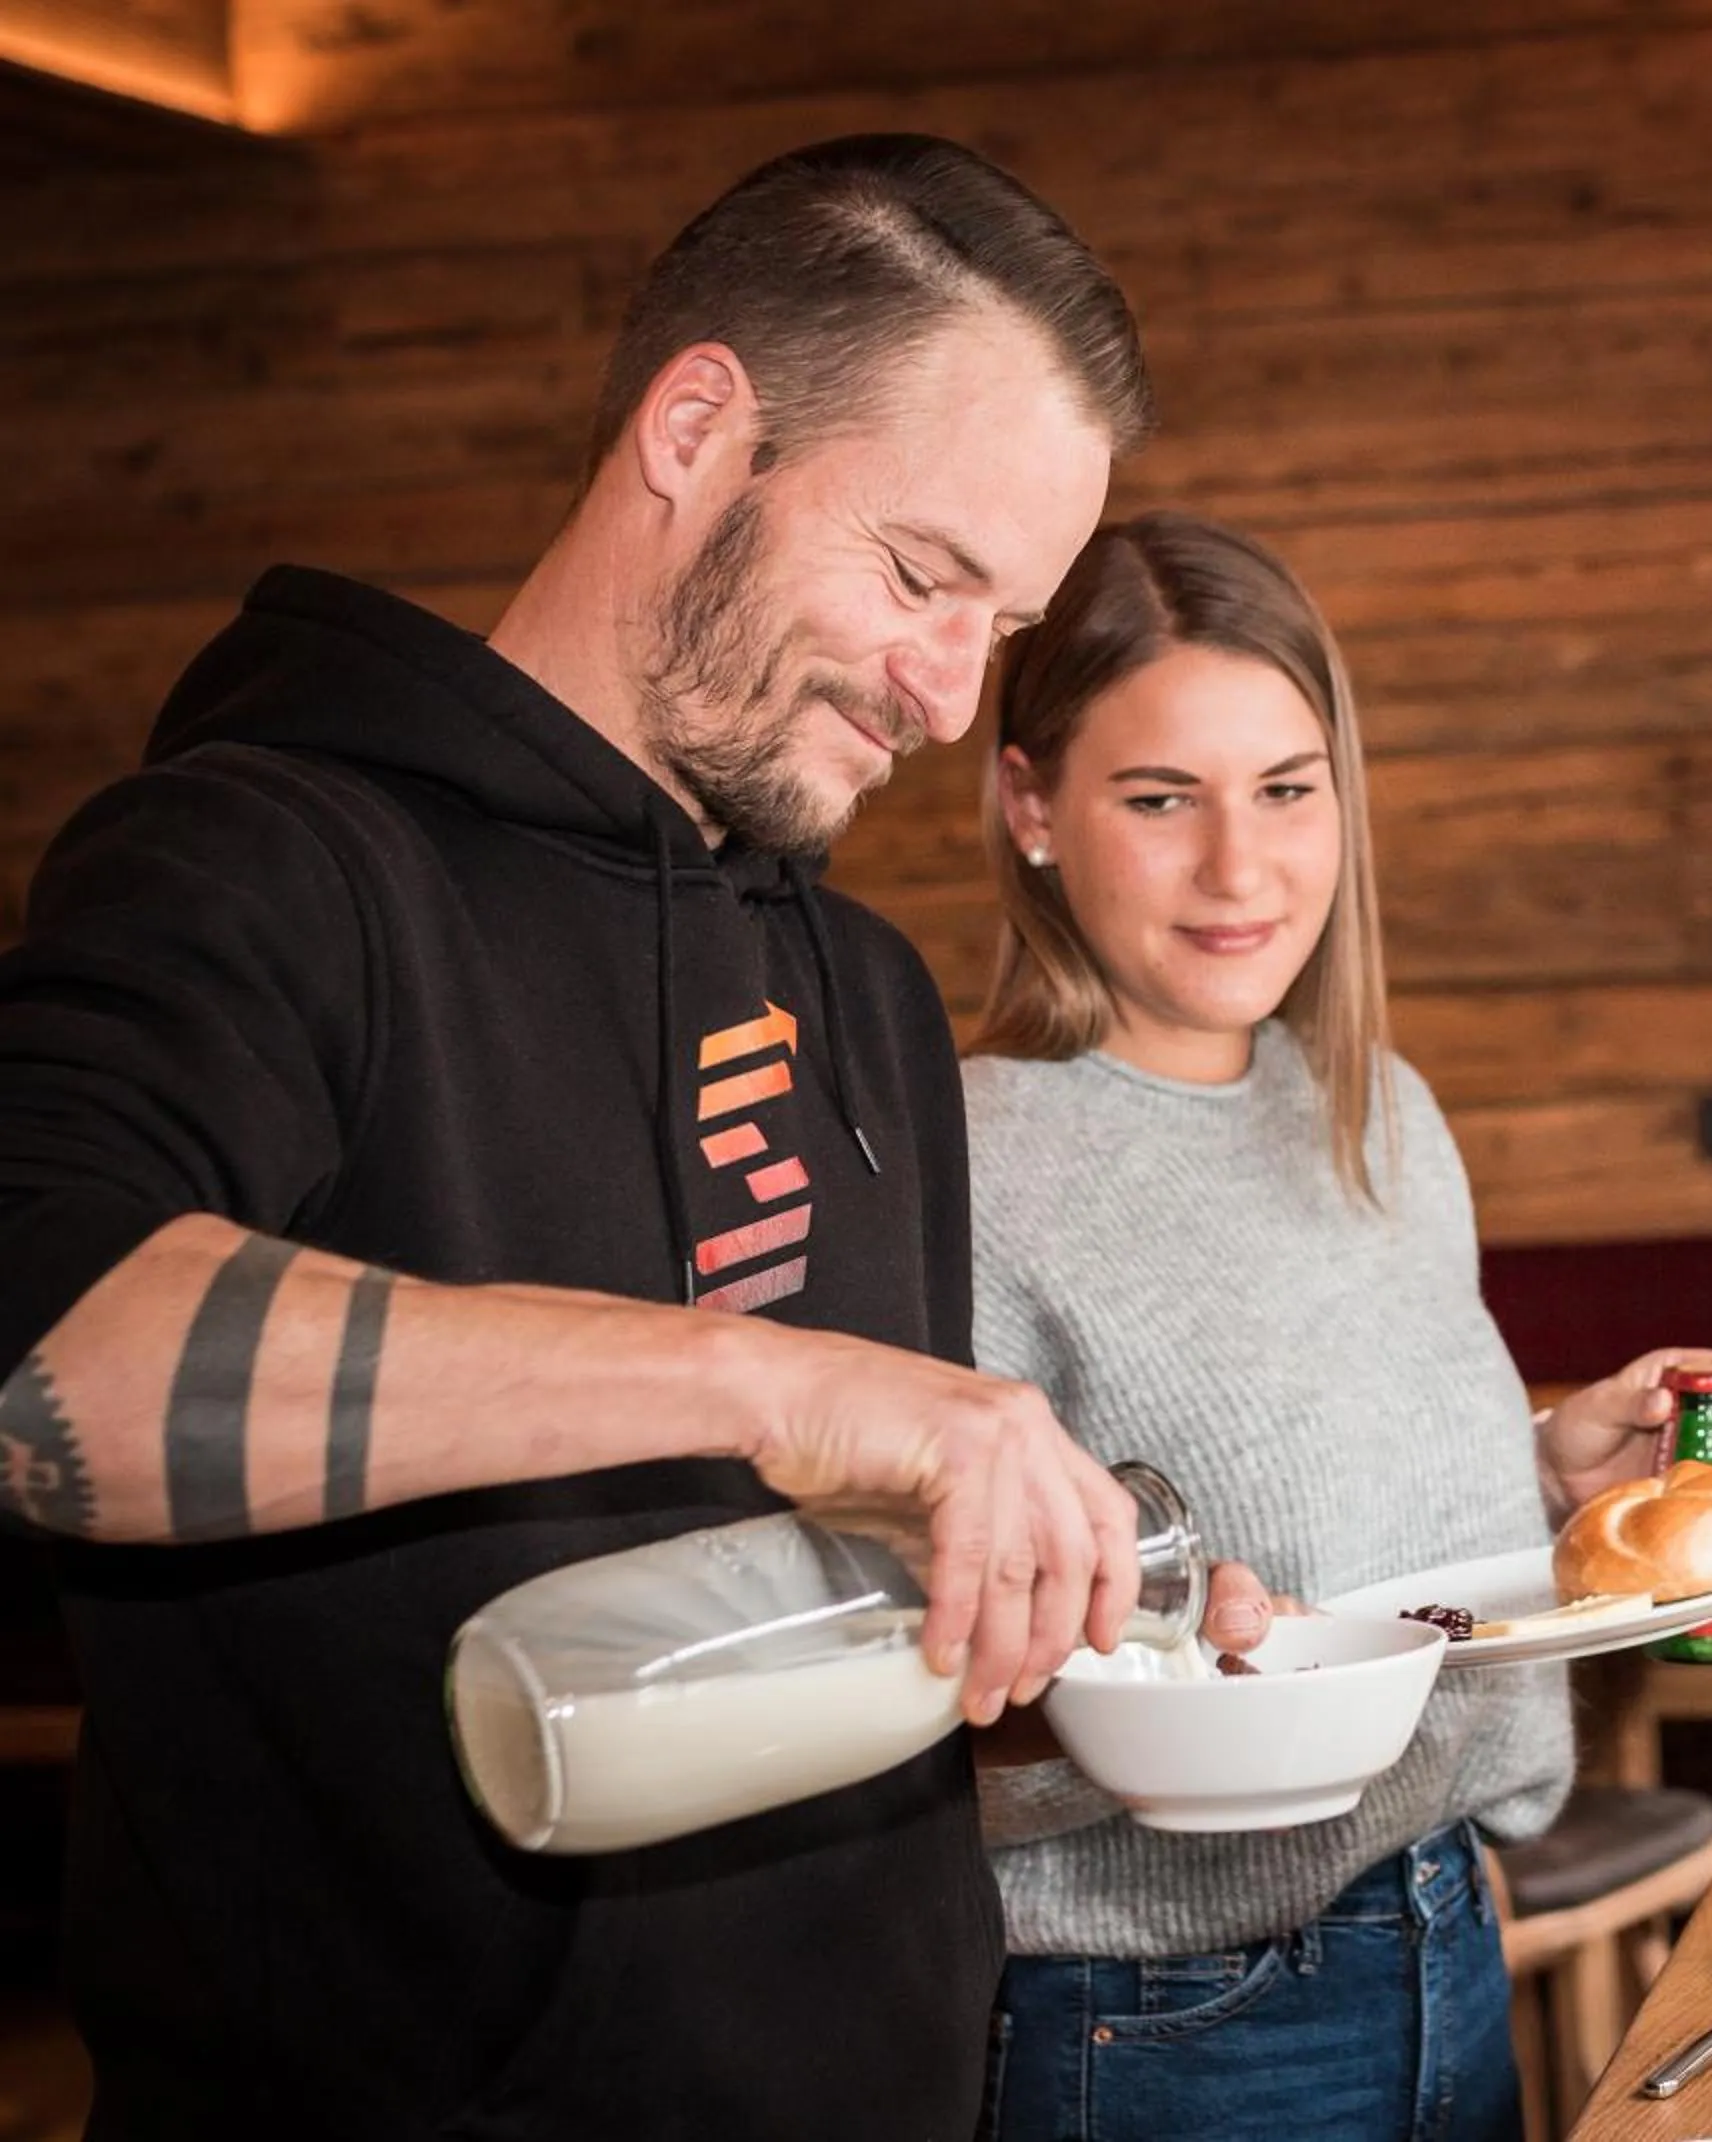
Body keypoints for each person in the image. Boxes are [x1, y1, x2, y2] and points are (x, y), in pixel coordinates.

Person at [0, 136, 1265, 2139]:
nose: (951, 698)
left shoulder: (854, 981)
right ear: (697, 426)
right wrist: (755, 1380)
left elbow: (782, 1644)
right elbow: (38, 1366)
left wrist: (1099, 1638)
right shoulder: (261, 862)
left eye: (998, 625)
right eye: (925, 576)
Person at [961, 510, 1712, 2141]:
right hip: (1162, 2024)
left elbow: (1366, 1546)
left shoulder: (1380, 1112)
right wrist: (1165, 1668)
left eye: (1285, 786)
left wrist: (1550, 1475)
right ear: (1031, 805)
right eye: (1158, 798)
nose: (1240, 868)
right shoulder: (970, 1155)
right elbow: (955, 1699)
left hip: (1450, 1937)